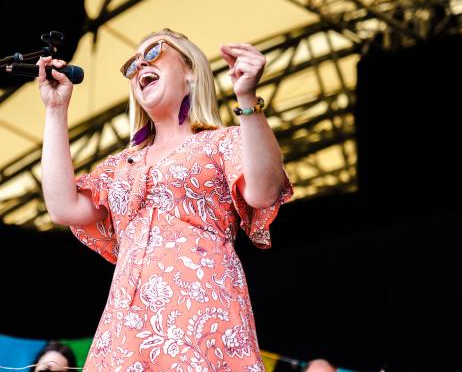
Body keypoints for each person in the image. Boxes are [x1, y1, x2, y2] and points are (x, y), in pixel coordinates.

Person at [38, 28, 293, 371]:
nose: (140, 63)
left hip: (199, 313)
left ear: (189, 69)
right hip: (127, 328)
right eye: (132, 64)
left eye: (154, 51)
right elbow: (63, 207)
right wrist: (55, 110)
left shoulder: (219, 142)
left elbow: (264, 191)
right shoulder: (121, 164)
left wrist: (247, 100)